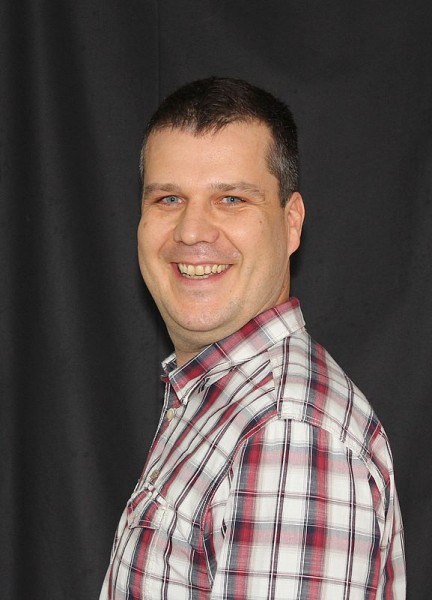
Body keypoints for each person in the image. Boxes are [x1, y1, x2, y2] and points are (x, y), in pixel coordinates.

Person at [100, 77, 406, 599]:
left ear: (291, 223)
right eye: (169, 198)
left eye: (231, 199)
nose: (192, 231)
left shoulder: (288, 434)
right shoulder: (222, 399)